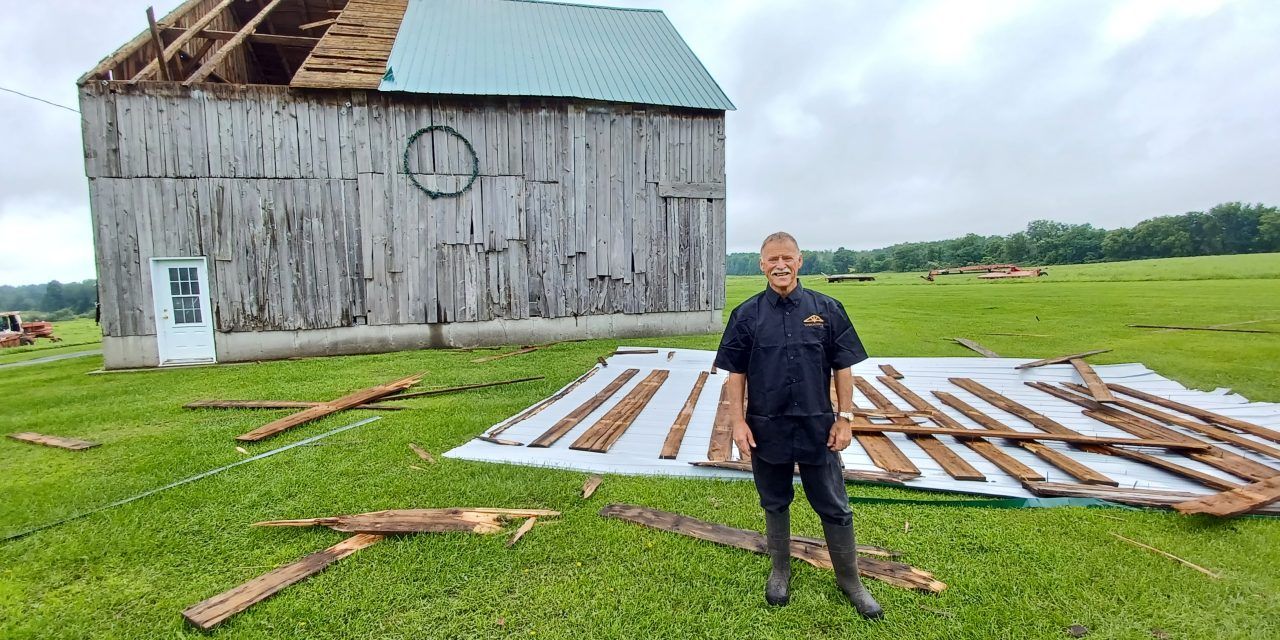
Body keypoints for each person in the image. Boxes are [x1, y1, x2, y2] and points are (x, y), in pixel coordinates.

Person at [713, 231, 883, 619]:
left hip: (818, 427)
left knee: (834, 505)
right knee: (774, 501)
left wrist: (846, 419)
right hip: (765, 427)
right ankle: (780, 570)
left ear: (800, 261)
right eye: (772, 259)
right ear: (762, 264)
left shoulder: (827, 309)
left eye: (787, 258)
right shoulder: (746, 316)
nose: (780, 265)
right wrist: (737, 423)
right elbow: (735, 374)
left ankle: (850, 580)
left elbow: (843, 367)